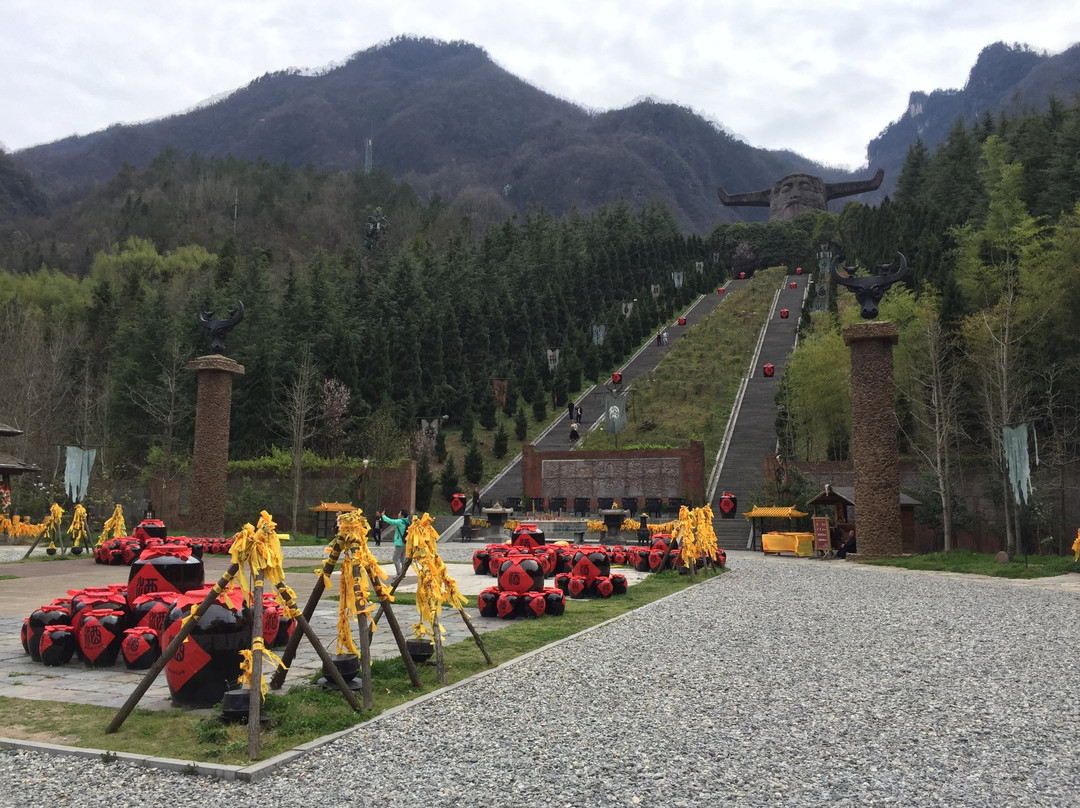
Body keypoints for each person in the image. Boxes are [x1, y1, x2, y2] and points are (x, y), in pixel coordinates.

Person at [381, 509, 410, 575]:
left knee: (395, 558)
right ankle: (403, 574)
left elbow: (390, 521)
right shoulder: (406, 522)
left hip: (399, 543)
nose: (398, 514)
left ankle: (399, 574)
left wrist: (383, 516)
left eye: (399, 513)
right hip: (405, 542)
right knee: (403, 558)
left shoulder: (400, 521)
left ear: (402, 515)